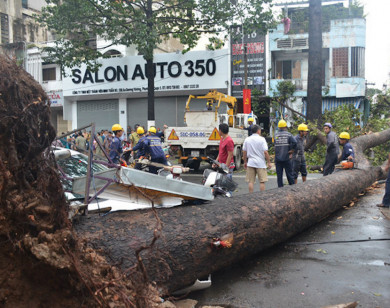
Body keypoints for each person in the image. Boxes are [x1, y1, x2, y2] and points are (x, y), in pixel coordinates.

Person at [243, 125, 272, 193]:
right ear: (258, 131)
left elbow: (244, 152)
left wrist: (245, 162)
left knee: (251, 181)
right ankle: (261, 197)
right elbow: (265, 152)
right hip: (260, 163)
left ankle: (250, 196)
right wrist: (269, 162)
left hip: (250, 163)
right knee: (262, 181)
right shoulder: (262, 139)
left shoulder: (247, 139)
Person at [274, 119, 297, 187]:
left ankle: (280, 189)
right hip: (286, 158)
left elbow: (275, 145)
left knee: (279, 176)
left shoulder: (275, 135)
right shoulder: (288, 134)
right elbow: (295, 142)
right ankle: (292, 189)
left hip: (278, 158)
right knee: (290, 175)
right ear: (285, 127)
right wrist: (292, 150)